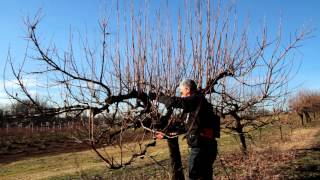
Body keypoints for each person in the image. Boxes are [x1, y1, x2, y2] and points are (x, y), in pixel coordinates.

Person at [155, 79, 220, 180]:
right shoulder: (195, 106)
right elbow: (187, 127)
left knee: (194, 177)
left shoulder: (197, 99)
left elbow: (174, 101)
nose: (181, 95)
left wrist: (157, 97)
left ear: (187, 89)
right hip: (205, 146)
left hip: (201, 147)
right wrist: (165, 134)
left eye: (181, 92)